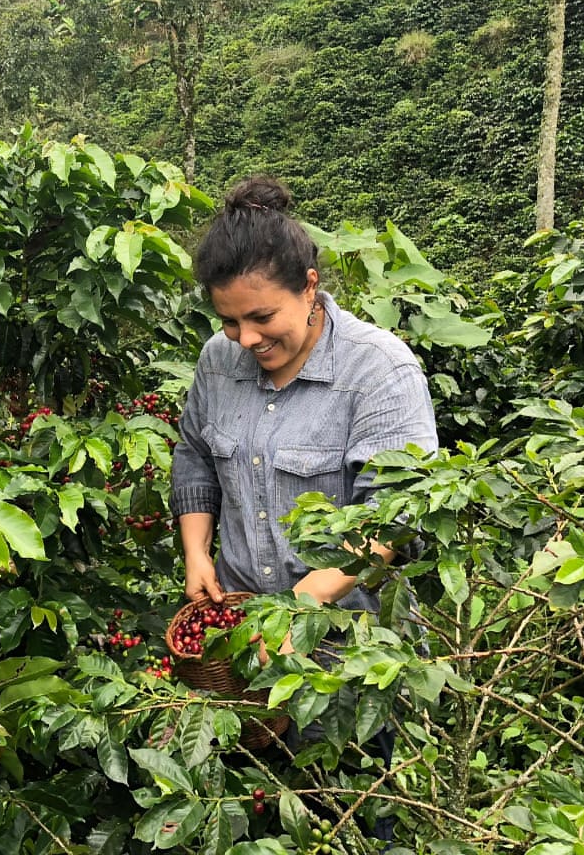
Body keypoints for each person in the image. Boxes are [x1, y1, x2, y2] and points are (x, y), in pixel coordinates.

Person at [168, 175, 438, 837]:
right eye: (229, 321)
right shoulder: (217, 361)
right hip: (240, 660)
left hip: (345, 664)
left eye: (262, 318)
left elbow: (395, 516)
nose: (246, 339)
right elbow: (195, 455)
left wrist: (301, 609)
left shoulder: (379, 372)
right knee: (253, 825)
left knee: (343, 823)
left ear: (310, 286)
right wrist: (197, 552)